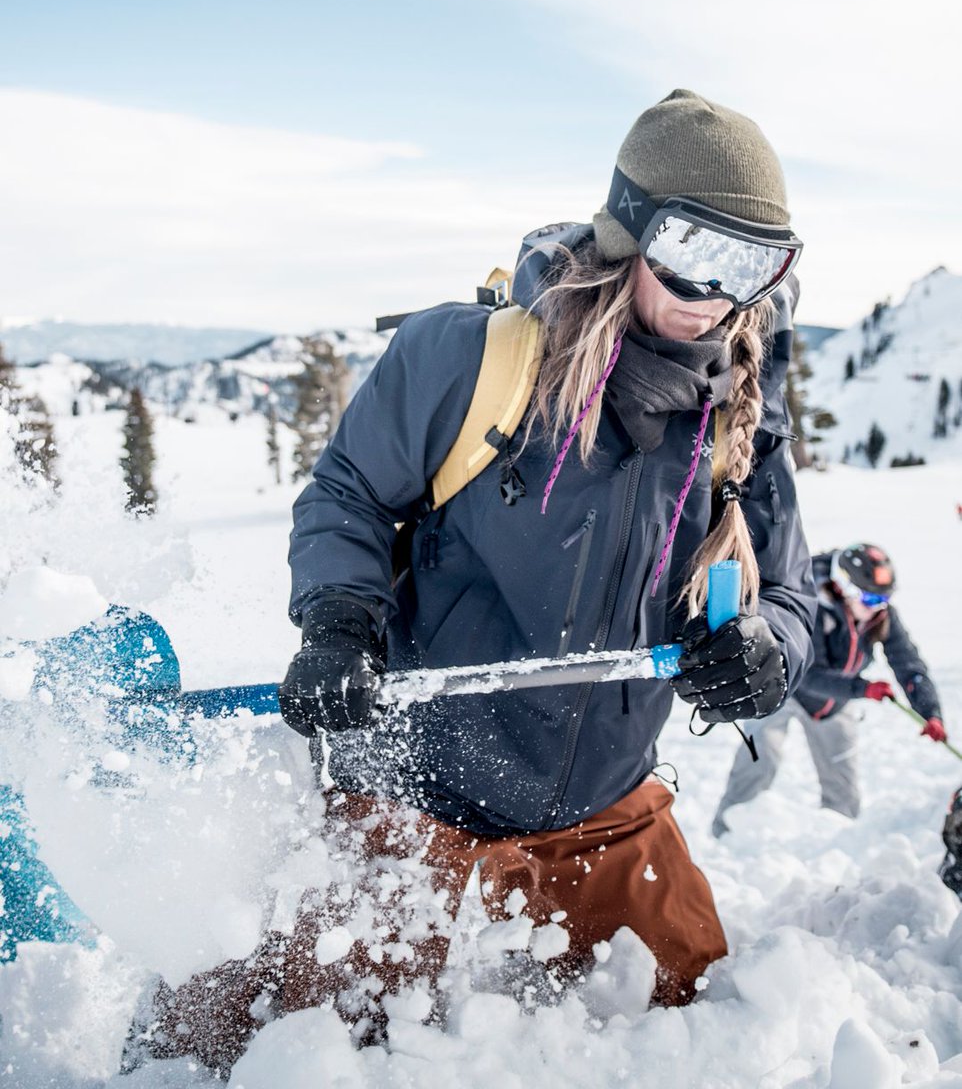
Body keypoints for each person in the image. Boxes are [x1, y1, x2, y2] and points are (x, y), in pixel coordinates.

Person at [125, 89, 817, 1075]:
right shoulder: (471, 359)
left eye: (752, 264)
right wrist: (337, 620)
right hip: (418, 801)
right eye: (694, 251)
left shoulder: (742, 424)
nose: (717, 293)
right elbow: (347, 492)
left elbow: (790, 597)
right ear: (629, 234)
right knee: (303, 1035)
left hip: (602, 813)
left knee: (707, 1013)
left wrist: (764, 652)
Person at [712, 543, 946, 836]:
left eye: (884, 598)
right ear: (844, 586)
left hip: (834, 700)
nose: (878, 605)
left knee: (841, 779)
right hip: (782, 689)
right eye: (870, 597)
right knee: (760, 759)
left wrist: (930, 712)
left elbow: (909, 664)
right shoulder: (806, 600)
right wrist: (861, 688)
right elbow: (806, 674)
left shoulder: (879, 614)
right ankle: (727, 832)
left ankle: (840, 841)